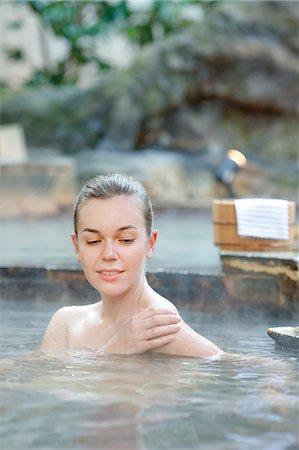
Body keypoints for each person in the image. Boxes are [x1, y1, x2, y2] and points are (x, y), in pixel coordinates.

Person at [40, 173, 223, 358]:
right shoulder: (65, 324)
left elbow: (237, 367)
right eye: (93, 241)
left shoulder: (158, 329)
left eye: (125, 240)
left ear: (150, 243)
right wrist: (116, 348)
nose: (109, 254)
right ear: (77, 246)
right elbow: (26, 377)